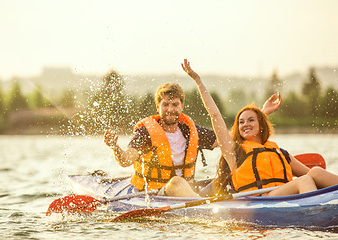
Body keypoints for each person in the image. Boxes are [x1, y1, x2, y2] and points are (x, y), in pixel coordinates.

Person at [181, 59, 338, 197]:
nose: (245, 124)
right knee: (304, 181)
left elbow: (312, 176)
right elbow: (215, 115)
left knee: (315, 172)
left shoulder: (280, 153)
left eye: (250, 120)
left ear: (261, 125)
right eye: (241, 122)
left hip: (285, 195)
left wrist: (264, 110)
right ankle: (316, 213)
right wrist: (199, 82)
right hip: (263, 199)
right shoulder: (234, 152)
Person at [104, 82, 282, 197]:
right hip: (155, 193)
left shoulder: (191, 130)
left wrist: (262, 113)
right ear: (158, 107)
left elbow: (229, 139)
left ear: (181, 106)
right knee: (176, 182)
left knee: (224, 176)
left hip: (190, 192)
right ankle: (205, 210)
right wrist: (114, 147)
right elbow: (126, 160)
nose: (170, 109)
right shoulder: (146, 133)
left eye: (175, 104)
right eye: (165, 104)